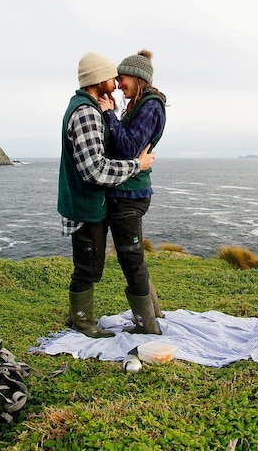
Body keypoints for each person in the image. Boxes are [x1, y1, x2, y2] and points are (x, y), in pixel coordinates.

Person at [58, 52, 155, 339]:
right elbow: (95, 170)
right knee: (87, 267)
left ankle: (81, 317)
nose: (115, 81)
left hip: (88, 203)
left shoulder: (88, 107)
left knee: (89, 265)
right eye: (111, 76)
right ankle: (82, 322)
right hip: (86, 204)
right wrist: (138, 164)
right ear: (98, 79)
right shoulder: (86, 113)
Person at [97, 49, 167, 335]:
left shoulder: (151, 107)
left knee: (130, 257)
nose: (118, 83)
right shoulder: (139, 105)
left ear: (137, 78)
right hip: (126, 192)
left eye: (122, 77)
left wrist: (110, 114)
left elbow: (127, 148)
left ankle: (147, 326)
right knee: (133, 257)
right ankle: (154, 313)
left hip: (131, 195)